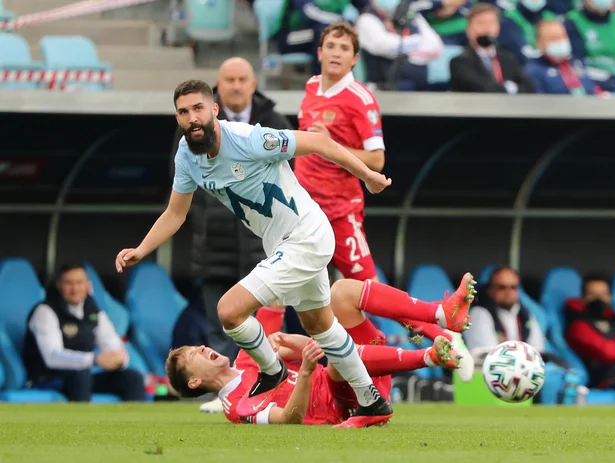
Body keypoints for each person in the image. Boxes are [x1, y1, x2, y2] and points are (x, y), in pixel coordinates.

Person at [115, 79, 404, 428]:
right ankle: (372, 402)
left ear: (214, 110)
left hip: (306, 235)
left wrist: (368, 176)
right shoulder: (186, 156)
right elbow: (176, 213)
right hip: (282, 244)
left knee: (229, 310)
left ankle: (272, 370)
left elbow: (320, 142)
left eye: (198, 108)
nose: (192, 118)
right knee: (320, 325)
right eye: (183, 111)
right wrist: (142, 249)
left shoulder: (249, 138)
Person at [165, 275, 477, 426]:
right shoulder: (236, 407)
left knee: (340, 292)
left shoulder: (251, 354)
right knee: (335, 357)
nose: (203, 347)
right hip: (347, 405)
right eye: (195, 355)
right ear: (194, 382)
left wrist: (287, 251)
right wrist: (305, 370)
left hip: (362, 373)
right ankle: (430, 356)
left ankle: (440, 314)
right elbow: (289, 418)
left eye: (197, 346)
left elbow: (274, 299)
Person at [168, 57, 294, 414]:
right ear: (218, 89)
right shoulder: (191, 130)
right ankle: (223, 393)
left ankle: (266, 387)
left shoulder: (273, 123)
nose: (236, 85)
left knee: (266, 319)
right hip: (215, 243)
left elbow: (292, 177)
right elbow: (179, 186)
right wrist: (210, 216)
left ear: (253, 84)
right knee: (218, 322)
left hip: (263, 241)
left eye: (242, 79)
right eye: (229, 79)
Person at [295, 22, 386, 283]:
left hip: (339, 209)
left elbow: (377, 160)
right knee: (279, 289)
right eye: (331, 46)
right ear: (320, 53)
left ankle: (430, 322)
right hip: (302, 208)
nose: (336, 53)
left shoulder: (361, 99)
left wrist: (329, 145)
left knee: (366, 288)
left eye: (344, 48)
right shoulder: (312, 86)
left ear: (354, 59)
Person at [23, 264, 145, 402]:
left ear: (88, 286)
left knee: (132, 378)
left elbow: (114, 345)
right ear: (59, 285)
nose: (75, 289)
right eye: (69, 283)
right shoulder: (45, 311)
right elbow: (52, 356)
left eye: (79, 283)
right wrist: (94, 360)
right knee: (81, 375)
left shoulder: (93, 312)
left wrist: (119, 360)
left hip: (82, 377)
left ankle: (132, 423)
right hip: (47, 379)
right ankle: (82, 424)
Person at [449, 3, 535, 94]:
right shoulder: (459, 62)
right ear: (469, 29)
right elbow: (482, 88)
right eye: (481, 23)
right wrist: (510, 88)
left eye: (491, 23)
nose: (487, 28)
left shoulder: (507, 58)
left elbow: (528, 87)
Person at [524, 20, 601, 95]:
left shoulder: (577, 62)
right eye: (554, 38)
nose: (561, 41)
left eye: (563, 36)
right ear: (539, 43)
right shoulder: (534, 71)